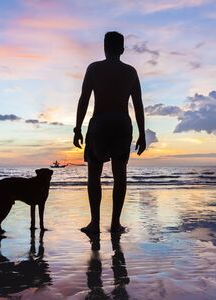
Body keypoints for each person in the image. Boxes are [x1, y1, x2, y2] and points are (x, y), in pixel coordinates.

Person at [73, 31, 146, 233]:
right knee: (120, 174)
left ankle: (95, 223)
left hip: (100, 123)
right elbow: (138, 105)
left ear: (104, 48)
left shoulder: (94, 68)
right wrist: (142, 133)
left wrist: (77, 128)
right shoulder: (130, 72)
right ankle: (115, 224)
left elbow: (84, 99)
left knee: (94, 175)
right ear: (122, 49)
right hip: (122, 123)